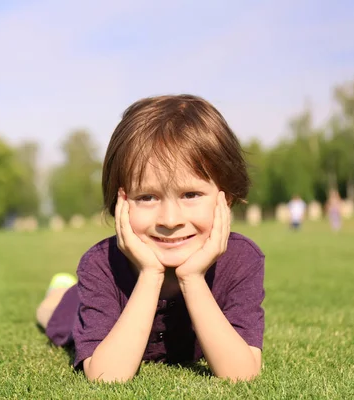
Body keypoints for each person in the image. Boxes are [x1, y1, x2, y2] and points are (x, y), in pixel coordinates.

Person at [36, 95, 265, 382]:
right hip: (80, 304)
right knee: (53, 315)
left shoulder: (242, 260)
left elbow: (241, 374)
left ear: (226, 198)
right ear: (121, 201)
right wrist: (150, 274)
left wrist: (192, 279)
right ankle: (59, 290)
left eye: (191, 195)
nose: (170, 220)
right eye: (147, 197)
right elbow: (106, 377)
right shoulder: (100, 265)